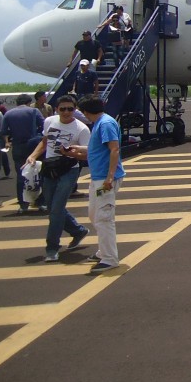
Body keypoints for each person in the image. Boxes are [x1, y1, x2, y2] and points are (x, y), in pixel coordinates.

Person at [23, 95, 90, 262]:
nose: (67, 112)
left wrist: (70, 153)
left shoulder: (81, 129)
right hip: (50, 168)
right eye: (63, 109)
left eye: (70, 109)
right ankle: (78, 230)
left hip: (69, 169)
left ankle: (52, 247)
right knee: (52, 207)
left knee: (56, 210)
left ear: (75, 110)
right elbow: (45, 142)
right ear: (56, 109)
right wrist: (33, 156)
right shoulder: (50, 122)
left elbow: (86, 155)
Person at [66, 96, 125, 274]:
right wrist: (74, 151)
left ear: (85, 112)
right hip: (98, 177)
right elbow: (95, 150)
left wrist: (110, 177)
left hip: (104, 179)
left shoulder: (105, 124)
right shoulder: (101, 123)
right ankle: (103, 252)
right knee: (94, 215)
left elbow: (114, 149)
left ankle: (109, 258)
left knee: (103, 218)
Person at [0, 94, 45, 213]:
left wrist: (7, 142)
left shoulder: (9, 113)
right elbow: (43, 126)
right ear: (29, 102)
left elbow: (4, 131)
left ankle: (23, 205)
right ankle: (40, 202)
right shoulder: (34, 111)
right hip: (34, 145)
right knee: (38, 173)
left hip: (18, 146)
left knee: (21, 175)